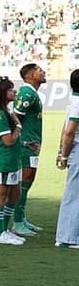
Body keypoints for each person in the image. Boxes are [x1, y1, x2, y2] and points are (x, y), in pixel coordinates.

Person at [0, 76, 25, 245]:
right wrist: (18, 129)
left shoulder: (6, 111)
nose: (14, 91)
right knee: (2, 192)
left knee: (15, 192)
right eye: (10, 89)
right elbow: (8, 140)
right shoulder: (0, 114)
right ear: (2, 93)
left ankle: (4, 229)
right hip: (5, 158)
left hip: (13, 157)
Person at [12, 63, 46, 236]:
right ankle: (17, 223)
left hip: (31, 144)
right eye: (40, 70)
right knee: (24, 182)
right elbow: (15, 117)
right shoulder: (26, 93)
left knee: (28, 181)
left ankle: (21, 218)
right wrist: (24, 142)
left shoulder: (32, 93)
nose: (43, 72)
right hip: (26, 145)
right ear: (30, 75)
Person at [55, 69, 79, 249]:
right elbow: (70, 131)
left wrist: (61, 151)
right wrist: (64, 155)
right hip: (77, 149)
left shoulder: (73, 100)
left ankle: (67, 235)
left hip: (73, 148)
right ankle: (68, 237)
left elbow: (65, 130)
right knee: (74, 193)